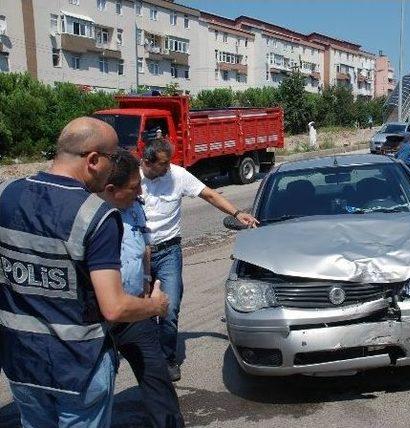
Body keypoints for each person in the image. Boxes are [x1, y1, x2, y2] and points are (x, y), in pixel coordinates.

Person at [0, 117, 169, 428]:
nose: (115, 165)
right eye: (113, 157)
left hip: (21, 363)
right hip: (78, 367)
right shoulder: (96, 215)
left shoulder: (6, 194)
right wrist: (155, 306)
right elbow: (115, 307)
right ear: (93, 160)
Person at [140, 138, 258, 381]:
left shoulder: (178, 175)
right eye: (163, 164)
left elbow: (210, 195)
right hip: (137, 253)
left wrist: (237, 213)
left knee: (169, 307)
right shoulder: (131, 178)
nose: (168, 168)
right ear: (147, 161)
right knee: (139, 309)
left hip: (169, 251)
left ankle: (167, 359)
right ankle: (143, 358)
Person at [100, 150, 184, 428]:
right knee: (96, 387)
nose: (141, 193)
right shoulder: (91, 217)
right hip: (98, 317)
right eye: (135, 187)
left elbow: (144, 245)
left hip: (136, 309)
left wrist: (147, 280)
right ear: (111, 190)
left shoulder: (134, 206)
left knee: (157, 378)